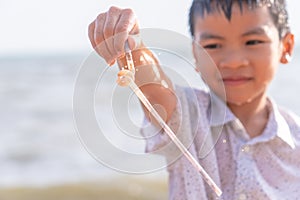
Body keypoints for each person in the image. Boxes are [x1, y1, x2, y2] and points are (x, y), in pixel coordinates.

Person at [88, 0, 300, 199]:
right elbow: (155, 88)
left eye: (253, 41)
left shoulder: (296, 138)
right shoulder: (188, 115)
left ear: (287, 46)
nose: (234, 62)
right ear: (195, 55)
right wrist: (132, 45)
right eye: (213, 46)